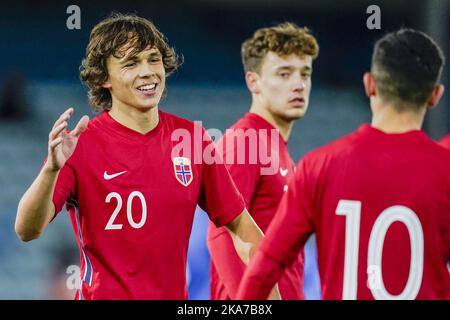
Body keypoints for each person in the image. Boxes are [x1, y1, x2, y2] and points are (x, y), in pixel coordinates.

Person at [14, 13, 269, 300]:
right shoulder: (79, 146)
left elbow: (244, 232)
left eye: (153, 59)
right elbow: (27, 230)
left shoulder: (193, 140)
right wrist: (51, 169)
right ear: (104, 78)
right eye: (131, 63)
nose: (148, 71)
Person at [237, 28, 450, 300]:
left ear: (369, 84)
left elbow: (265, 266)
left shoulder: (319, 166)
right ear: (435, 95)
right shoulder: (445, 170)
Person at [207, 23, 319, 300]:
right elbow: (221, 234)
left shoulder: (275, 148)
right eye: (284, 73)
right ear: (253, 81)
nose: (299, 84)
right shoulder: (246, 141)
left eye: (305, 73)